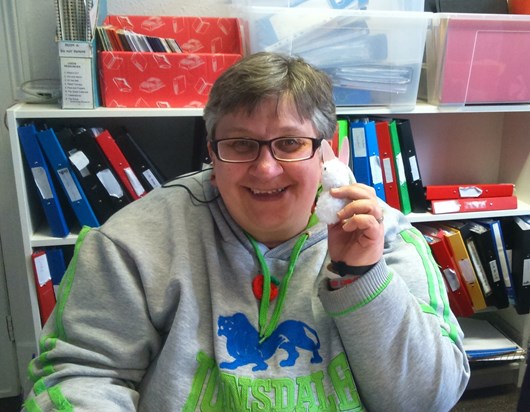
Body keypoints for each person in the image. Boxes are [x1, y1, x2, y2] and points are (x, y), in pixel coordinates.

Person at [23, 52, 469, 411]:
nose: (265, 168)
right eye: (240, 144)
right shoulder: (131, 244)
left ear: (329, 153)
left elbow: (427, 400)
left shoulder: (386, 237)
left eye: (290, 143)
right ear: (212, 155)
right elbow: (78, 378)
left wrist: (361, 276)